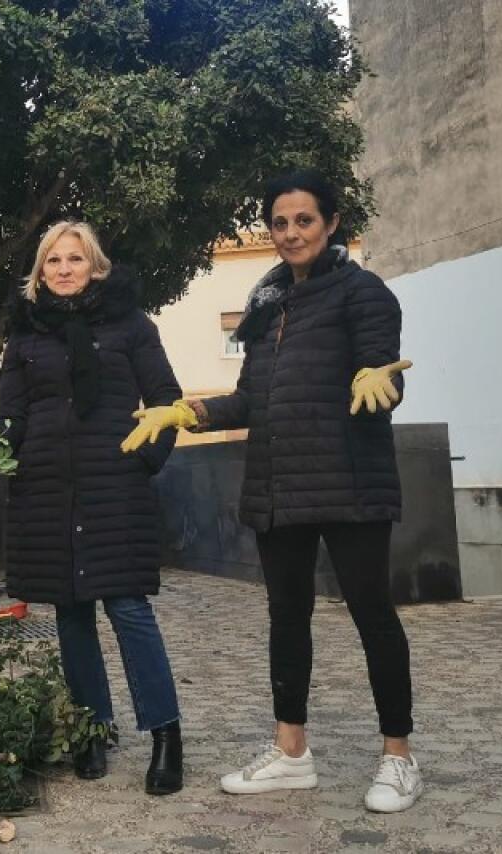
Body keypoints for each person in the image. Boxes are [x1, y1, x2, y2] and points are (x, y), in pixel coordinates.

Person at [122, 170, 422, 813]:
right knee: (286, 619)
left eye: (304, 221)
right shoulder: (263, 312)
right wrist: (183, 413)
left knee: (373, 615)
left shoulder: (363, 294)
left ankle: (398, 757)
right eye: (279, 223)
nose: (290, 234)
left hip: (350, 482)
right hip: (278, 485)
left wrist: (381, 383)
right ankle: (291, 752)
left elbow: (383, 371)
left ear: (331, 223)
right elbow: (248, 399)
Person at [0, 220, 186, 794]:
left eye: (75, 259)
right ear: (40, 273)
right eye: (53, 261)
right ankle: (91, 729)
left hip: (115, 484)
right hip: (46, 487)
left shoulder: (130, 325)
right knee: (72, 615)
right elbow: (12, 415)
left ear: (95, 266)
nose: (64, 270)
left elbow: (167, 401)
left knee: (128, 609)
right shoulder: (24, 336)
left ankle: (166, 734)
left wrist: (145, 462)